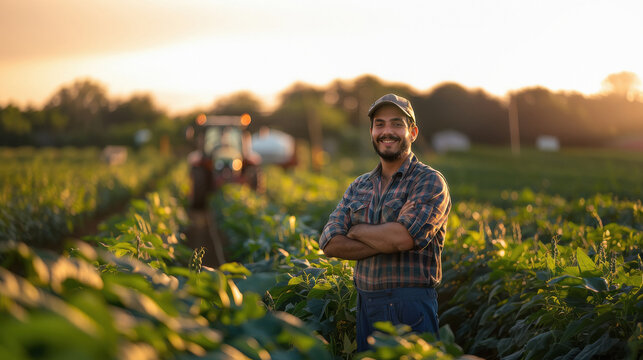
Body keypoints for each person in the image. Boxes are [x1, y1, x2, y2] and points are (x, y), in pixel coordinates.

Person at [319, 93, 451, 351]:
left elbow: (404, 238)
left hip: (411, 307)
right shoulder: (359, 186)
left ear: (412, 132)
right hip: (366, 306)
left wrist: (356, 231)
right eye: (379, 124)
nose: (387, 131)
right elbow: (330, 242)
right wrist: (387, 241)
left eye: (396, 124)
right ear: (371, 131)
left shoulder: (429, 181)